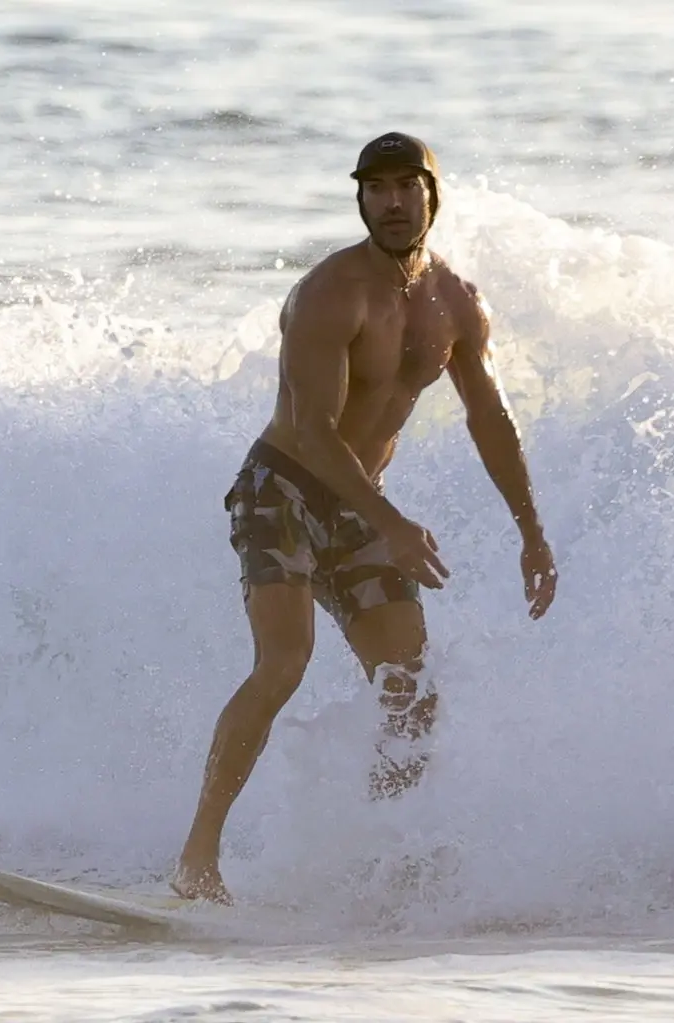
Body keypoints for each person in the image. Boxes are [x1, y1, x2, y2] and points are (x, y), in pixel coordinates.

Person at [173, 131, 558, 904]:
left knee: (411, 691)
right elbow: (313, 430)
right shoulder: (330, 293)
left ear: (432, 194)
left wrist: (531, 530)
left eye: (405, 186)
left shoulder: (456, 304)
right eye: (375, 188)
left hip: (358, 502)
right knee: (284, 662)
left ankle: (378, 865)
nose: (390, 202)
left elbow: (490, 419)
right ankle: (197, 858)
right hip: (282, 488)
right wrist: (390, 522)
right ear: (360, 198)